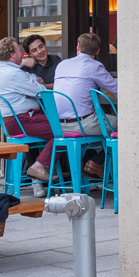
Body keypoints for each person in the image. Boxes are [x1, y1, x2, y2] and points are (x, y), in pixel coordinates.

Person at [0, 36, 56, 184]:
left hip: (13, 121)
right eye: (19, 50)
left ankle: (45, 168)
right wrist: (31, 75)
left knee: (59, 128)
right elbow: (40, 90)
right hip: (21, 120)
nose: (22, 54)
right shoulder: (14, 74)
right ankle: (40, 166)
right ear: (12, 55)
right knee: (62, 131)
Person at [52, 33, 118, 179]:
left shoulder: (62, 64)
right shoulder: (94, 66)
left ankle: (86, 163)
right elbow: (116, 89)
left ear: (78, 47)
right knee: (125, 126)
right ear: (98, 51)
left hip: (58, 125)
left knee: (102, 128)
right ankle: (96, 162)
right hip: (82, 124)